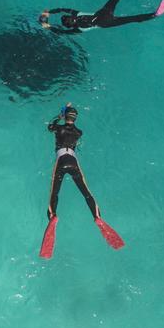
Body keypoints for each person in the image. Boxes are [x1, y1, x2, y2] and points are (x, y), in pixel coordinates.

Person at [38, 105, 123, 259]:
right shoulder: (79, 132)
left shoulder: (59, 129)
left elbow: (50, 126)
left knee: (54, 193)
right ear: (76, 118)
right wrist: (67, 114)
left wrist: (59, 115)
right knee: (86, 193)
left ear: (65, 117)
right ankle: (97, 218)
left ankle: (53, 217)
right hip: (73, 161)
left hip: (61, 161)